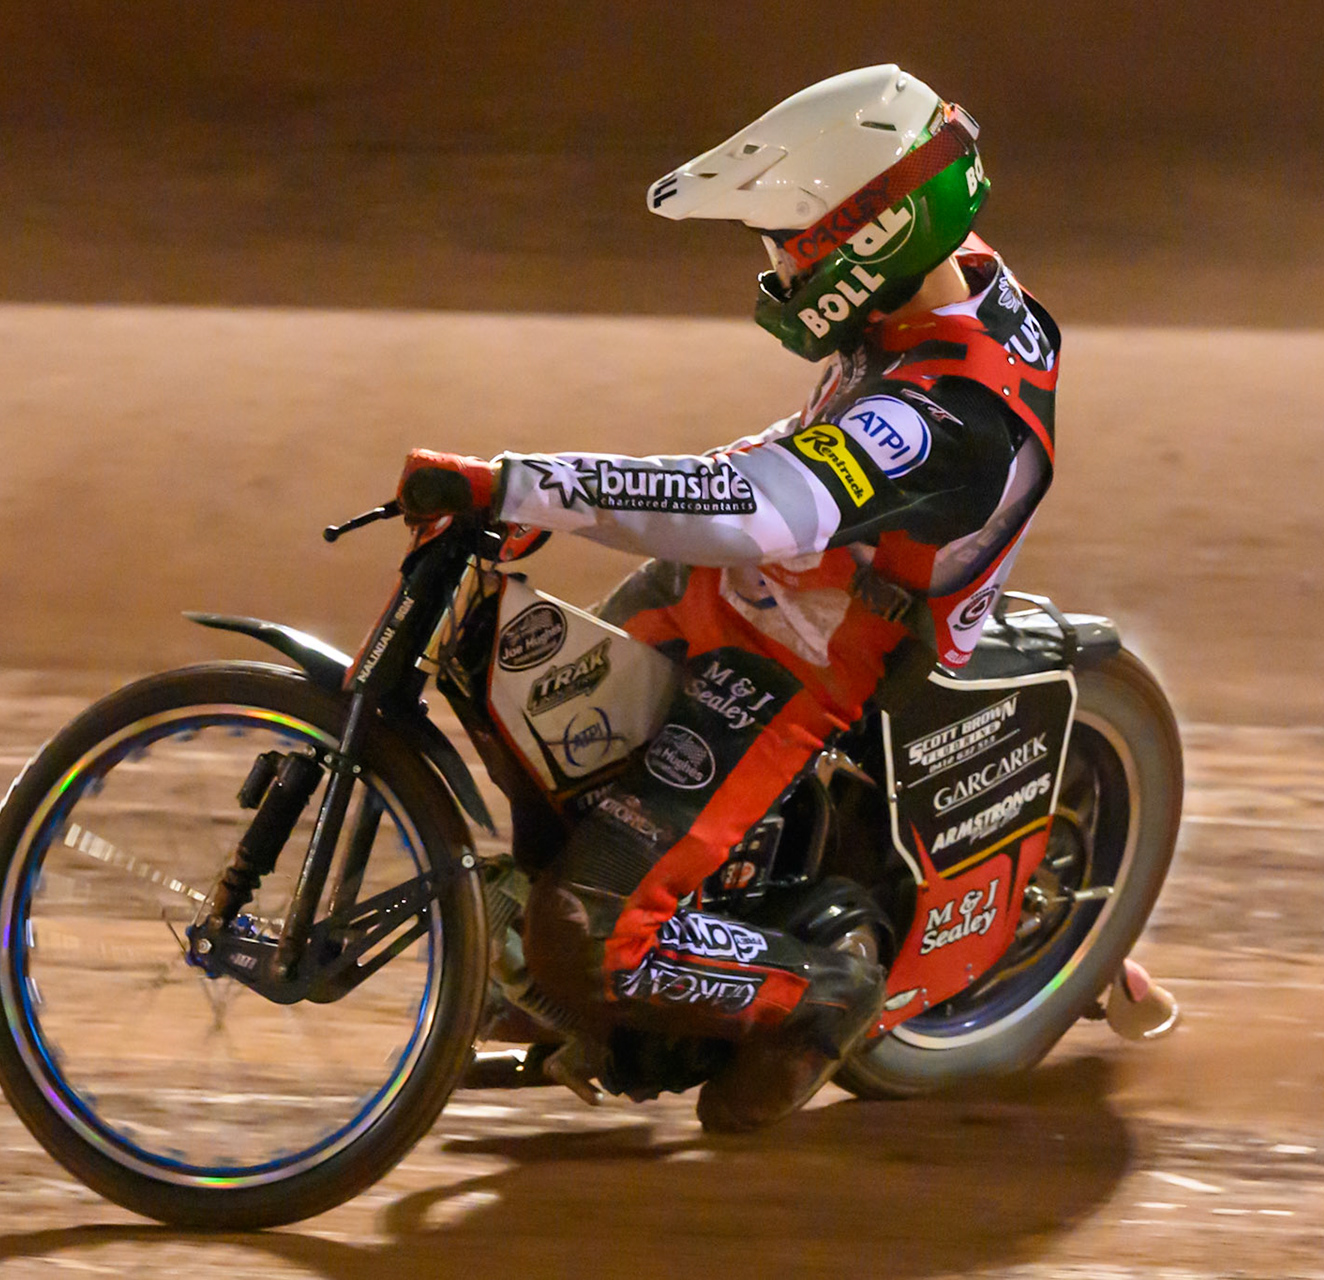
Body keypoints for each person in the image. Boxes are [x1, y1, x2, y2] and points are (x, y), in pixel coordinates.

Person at [396, 66, 1171, 1132]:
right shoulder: (941, 284)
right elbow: (794, 465)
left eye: (792, 239)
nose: (777, 266)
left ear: (875, 232)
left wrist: (531, 482)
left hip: (800, 661)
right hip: (725, 591)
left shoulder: (950, 415)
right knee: (544, 747)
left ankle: (821, 989)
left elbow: (768, 506)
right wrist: (560, 499)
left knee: (588, 927)